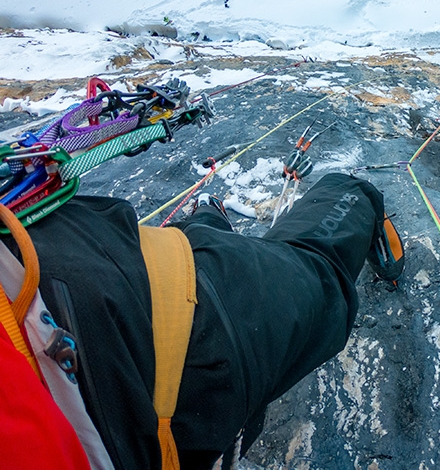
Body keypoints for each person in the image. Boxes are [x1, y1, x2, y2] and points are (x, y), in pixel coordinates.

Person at [1, 172, 403, 470]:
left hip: (178, 320)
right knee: (213, 255)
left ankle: (354, 191)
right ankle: (207, 219)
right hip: (121, 279)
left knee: (319, 273)